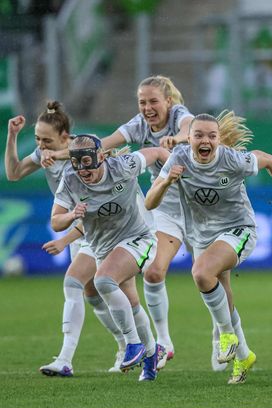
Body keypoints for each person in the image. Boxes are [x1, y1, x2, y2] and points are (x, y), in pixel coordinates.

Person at [146, 112, 272, 384]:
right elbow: (149, 202)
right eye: (199, 135)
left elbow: (269, 160)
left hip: (239, 230)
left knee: (202, 273)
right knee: (222, 295)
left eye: (212, 136)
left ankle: (226, 335)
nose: (206, 140)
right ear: (188, 138)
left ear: (218, 139)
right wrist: (167, 181)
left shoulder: (232, 159)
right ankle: (243, 355)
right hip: (203, 236)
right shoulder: (178, 158)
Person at [4, 102, 126, 376]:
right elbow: (13, 174)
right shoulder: (45, 154)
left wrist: (63, 240)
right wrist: (12, 136)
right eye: (37, 139)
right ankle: (128, 346)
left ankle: (65, 359)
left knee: (73, 282)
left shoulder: (85, 155)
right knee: (92, 293)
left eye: (46, 140)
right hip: (81, 225)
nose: (41, 145)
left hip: (102, 228)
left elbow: (95, 208)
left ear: (65, 137)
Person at [52, 134, 170, 381]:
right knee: (132, 304)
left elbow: (157, 153)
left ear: (101, 156)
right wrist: (72, 214)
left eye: (87, 161)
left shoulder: (124, 165)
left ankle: (133, 344)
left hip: (140, 238)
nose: (83, 169)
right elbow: (56, 221)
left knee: (103, 281)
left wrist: (171, 180)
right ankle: (151, 355)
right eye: (76, 163)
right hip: (103, 247)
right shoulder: (71, 180)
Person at [95, 75, 193, 369]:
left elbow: (189, 132)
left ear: (168, 101)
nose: (147, 108)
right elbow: (106, 142)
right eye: (142, 102)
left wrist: (177, 139)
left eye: (153, 101)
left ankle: (224, 335)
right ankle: (163, 342)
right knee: (153, 272)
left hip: (202, 205)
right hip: (166, 207)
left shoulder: (180, 116)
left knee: (209, 276)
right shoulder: (139, 123)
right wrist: (74, 152)